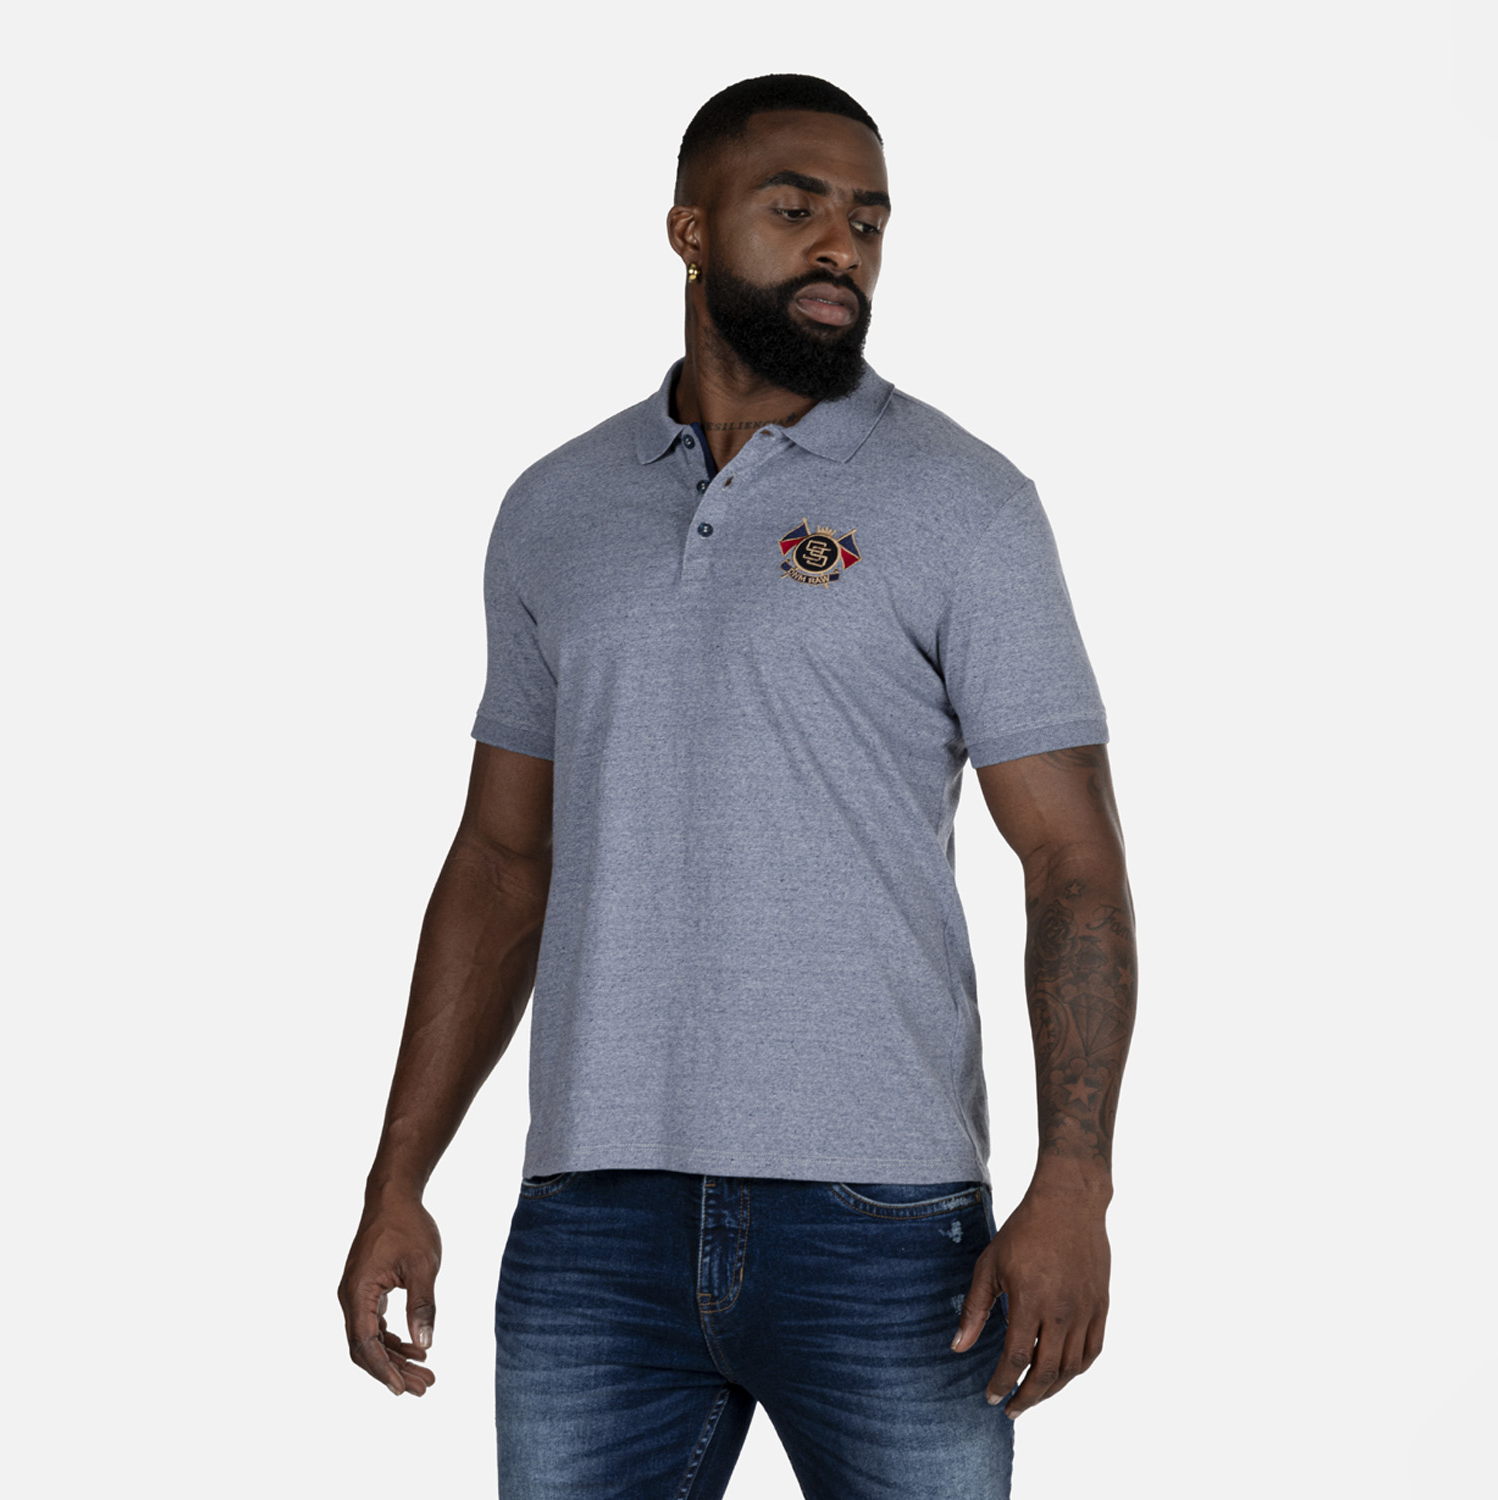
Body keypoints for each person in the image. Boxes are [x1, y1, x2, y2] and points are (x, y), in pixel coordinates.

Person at [338, 73, 1137, 1499]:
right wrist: (399, 1176)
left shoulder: (968, 503)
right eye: (796, 207)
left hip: (885, 1222)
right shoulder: (555, 507)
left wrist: (1074, 1179)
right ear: (690, 232)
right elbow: (502, 864)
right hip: (594, 1217)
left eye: (869, 220)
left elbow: (1072, 862)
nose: (842, 245)